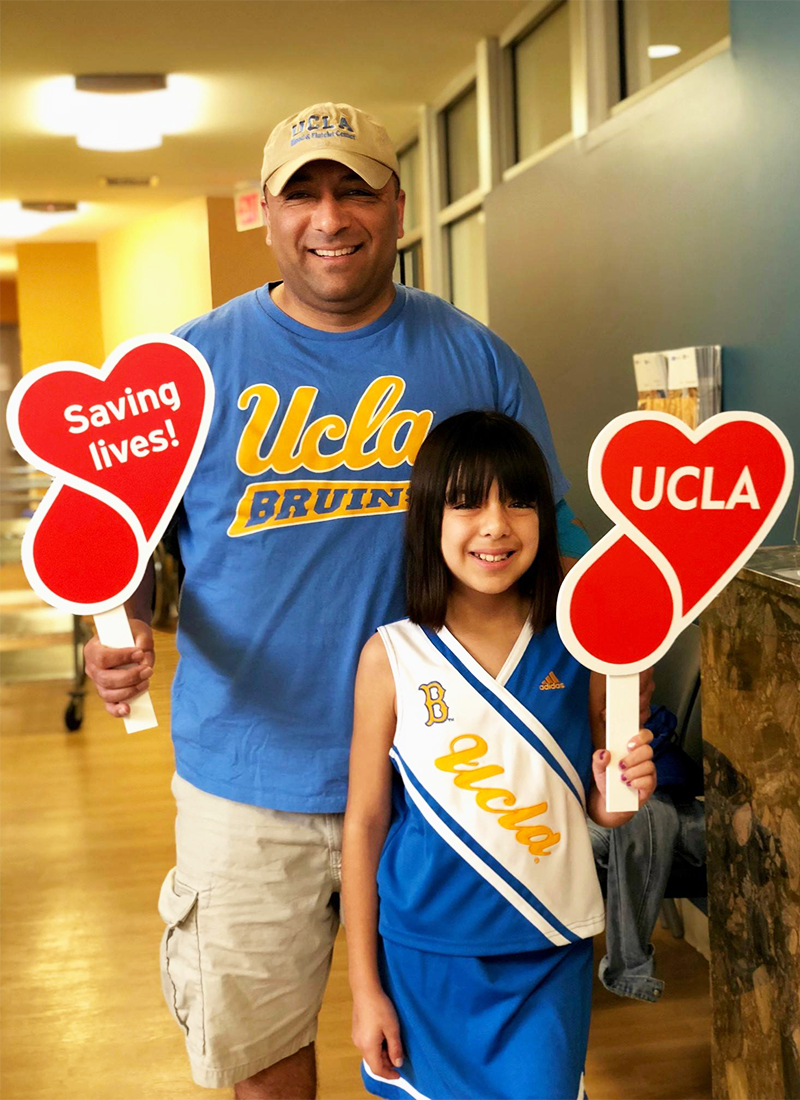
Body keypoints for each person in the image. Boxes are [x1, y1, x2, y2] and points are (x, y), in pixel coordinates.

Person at [83, 102, 643, 1100]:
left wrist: (609, 712)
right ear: (261, 210)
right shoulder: (190, 368)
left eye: (354, 189)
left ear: (395, 203)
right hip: (248, 780)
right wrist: (114, 628)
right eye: (302, 192)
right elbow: (120, 543)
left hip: (449, 782)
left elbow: (555, 561)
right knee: (262, 1066)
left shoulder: (475, 359)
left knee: (452, 1063)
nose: (329, 217)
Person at [342, 411, 657, 1100]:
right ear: (430, 520)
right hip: (423, 955)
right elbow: (365, 824)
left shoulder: (583, 646)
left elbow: (597, 806)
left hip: (546, 947)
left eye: (519, 500)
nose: (495, 524)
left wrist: (619, 792)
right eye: (466, 502)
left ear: (546, 517)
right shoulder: (391, 656)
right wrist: (364, 987)